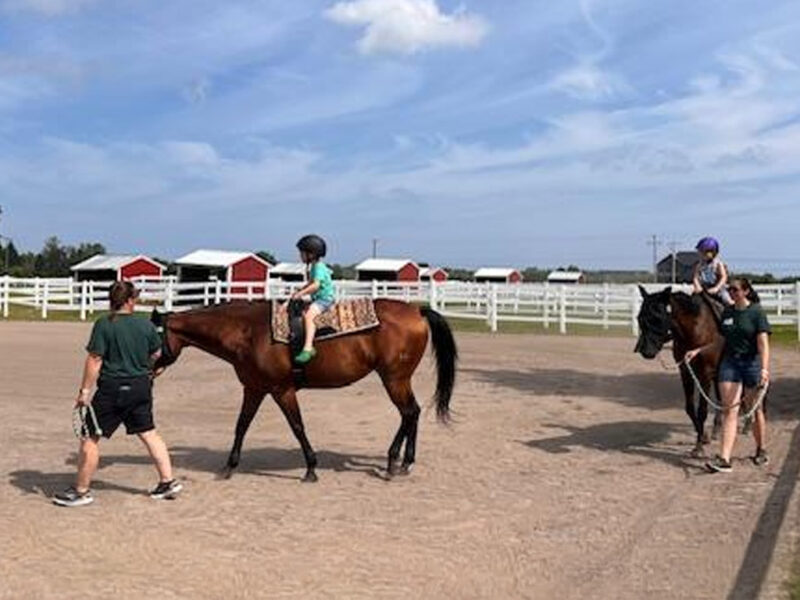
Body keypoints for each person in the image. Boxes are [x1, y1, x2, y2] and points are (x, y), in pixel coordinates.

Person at [52, 281, 183, 507]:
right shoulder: (145, 325)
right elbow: (157, 354)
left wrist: (84, 391)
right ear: (131, 300)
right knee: (149, 432)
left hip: (113, 388)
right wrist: (147, 367)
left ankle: (81, 491)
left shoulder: (104, 324)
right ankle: (167, 481)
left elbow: (95, 358)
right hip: (141, 386)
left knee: (90, 437)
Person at [684, 277, 771, 473]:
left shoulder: (756, 313)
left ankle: (761, 449)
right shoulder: (728, 313)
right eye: (729, 290)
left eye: (735, 290)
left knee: (754, 410)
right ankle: (724, 458)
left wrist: (764, 369)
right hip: (730, 364)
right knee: (729, 410)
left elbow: (763, 344)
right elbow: (721, 340)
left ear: (746, 291)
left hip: (751, 364)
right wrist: (699, 350)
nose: (731, 293)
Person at [289, 234, 335, 364]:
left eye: (302, 253)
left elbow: (316, 285)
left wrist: (300, 294)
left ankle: (308, 348)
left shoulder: (318, 267)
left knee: (309, 316)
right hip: (319, 298)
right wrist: (300, 291)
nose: (300, 256)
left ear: (311, 254)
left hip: (324, 299)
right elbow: (310, 284)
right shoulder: (315, 266)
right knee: (302, 311)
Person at [692, 236, 733, 306]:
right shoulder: (699, 265)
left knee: (728, 300)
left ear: (713, 252)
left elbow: (724, 277)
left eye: (704, 252)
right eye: (701, 251)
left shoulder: (718, 264)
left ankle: (734, 314)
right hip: (703, 288)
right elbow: (695, 277)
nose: (701, 254)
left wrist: (716, 288)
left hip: (718, 289)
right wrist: (698, 286)